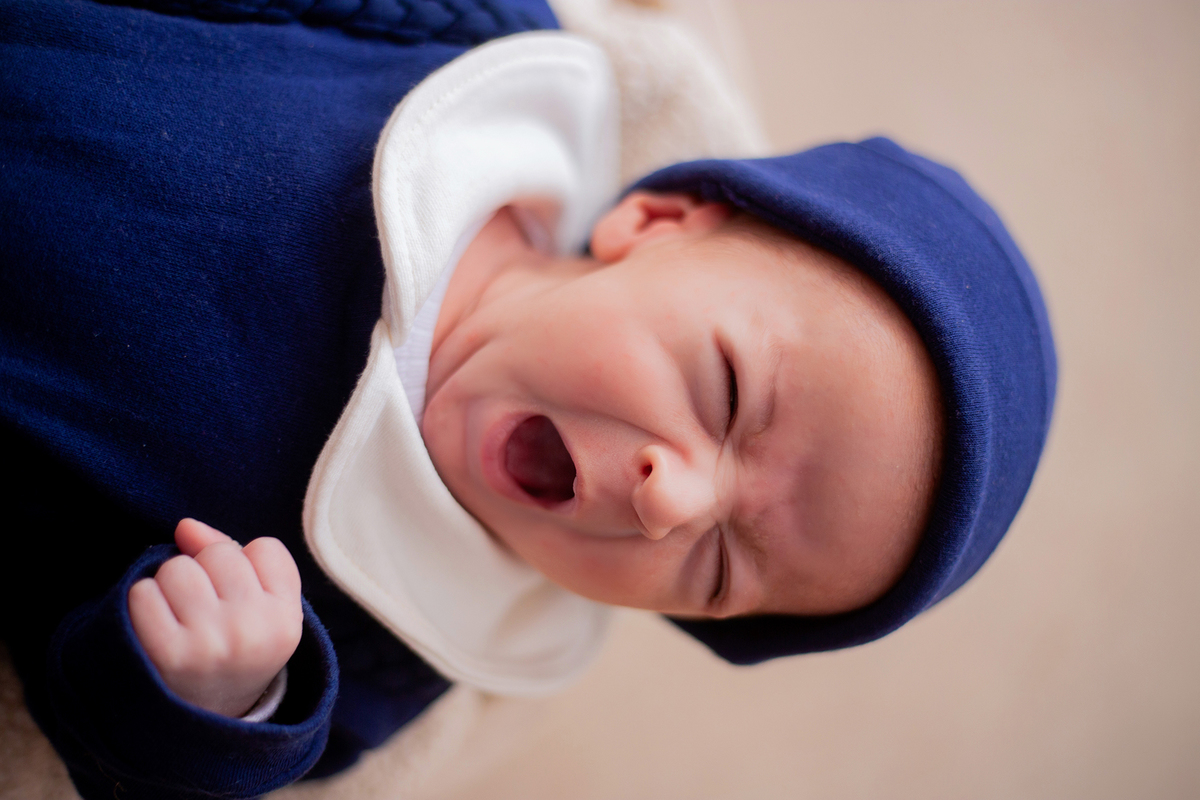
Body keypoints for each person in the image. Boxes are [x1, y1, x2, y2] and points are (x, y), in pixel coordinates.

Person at [0, 1, 1057, 799]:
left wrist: (215, 700)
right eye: (729, 392)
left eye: (719, 566)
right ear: (655, 221)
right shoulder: (458, 64)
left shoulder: (386, 633)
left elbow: (93, 718)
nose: (670, 500)